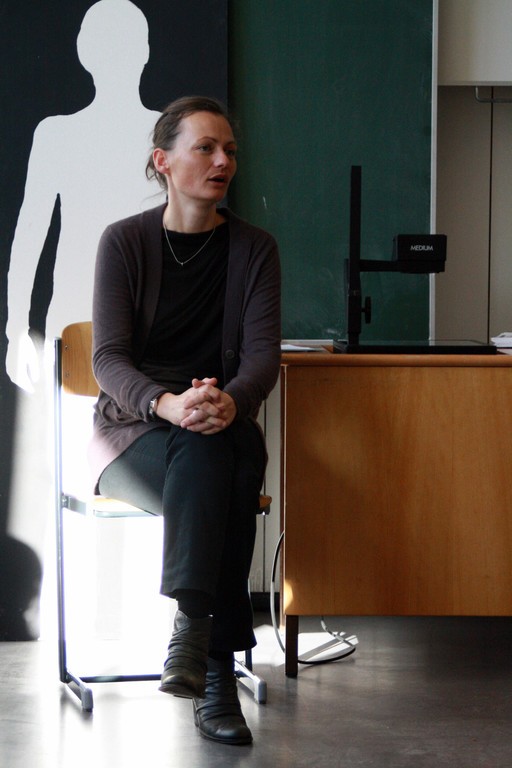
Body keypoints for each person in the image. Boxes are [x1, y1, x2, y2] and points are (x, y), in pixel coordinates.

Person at [89, 95, 281, 745]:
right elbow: (107, 359)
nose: (224, 161)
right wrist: (165, 403)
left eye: (230, 150)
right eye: (206, 148)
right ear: (163, 161)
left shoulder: (254, 249)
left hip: (221, 423)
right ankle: (215, 668)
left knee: (216, 449)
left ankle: (193, 635)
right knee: (219, 464)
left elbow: (261, 358)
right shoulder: (124, 242)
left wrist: (231, 400)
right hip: (135, 431)